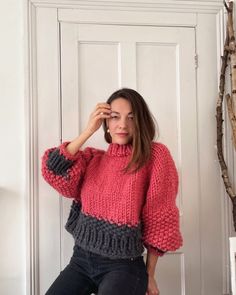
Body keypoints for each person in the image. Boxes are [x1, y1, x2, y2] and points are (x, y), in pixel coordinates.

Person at [41, 88, 183, 295]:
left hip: (123, 266)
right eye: (115, 117)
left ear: (140, 121)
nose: (123, 125)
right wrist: (88, 131)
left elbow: (160, 218)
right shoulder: (92, 159)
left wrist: (150, 275)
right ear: (106, 122)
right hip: (80, 260)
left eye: (131, 117)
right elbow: (52, 169)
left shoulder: (155, 156)